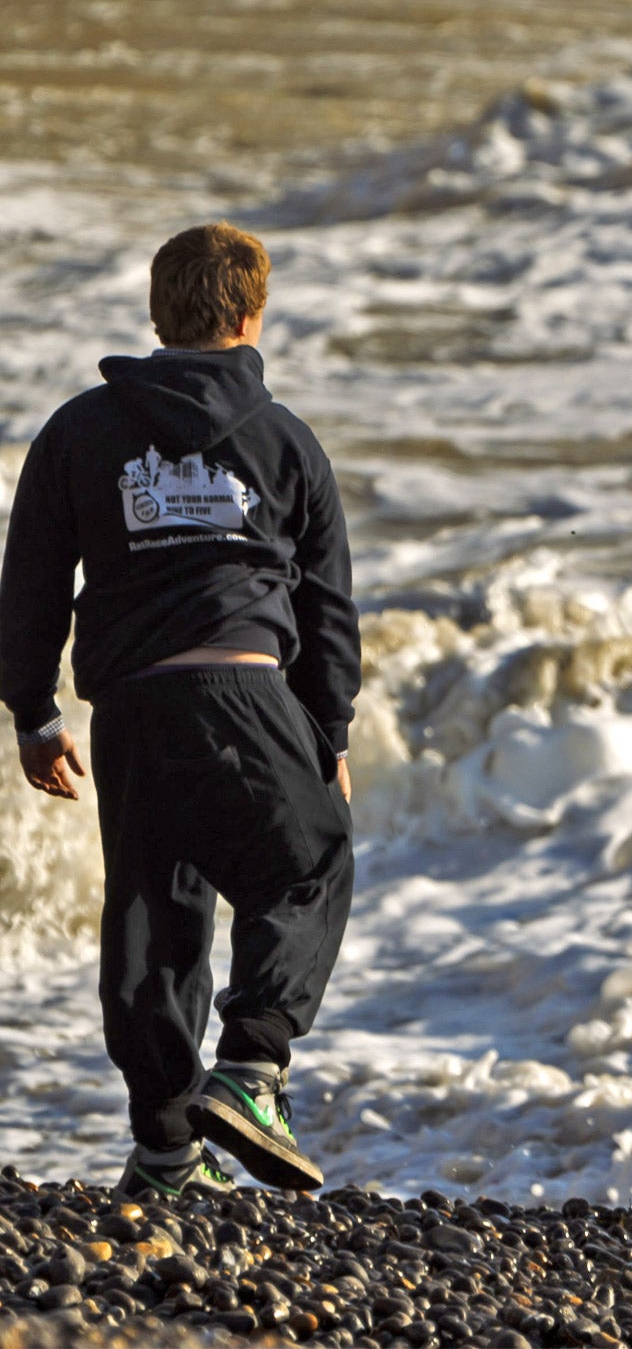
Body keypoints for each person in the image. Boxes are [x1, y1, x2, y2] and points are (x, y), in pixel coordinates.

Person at [0, 222, 360, 1201]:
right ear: (249, 319)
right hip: (248, 689)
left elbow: (28, 583)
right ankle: (250, 1070)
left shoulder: (79, 430)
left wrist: (34, 713)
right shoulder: (284, 438)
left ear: (158, 315)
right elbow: (327, 608)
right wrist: (327, 733)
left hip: (130, 704)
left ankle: (165, 1148)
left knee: (154, 917)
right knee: (308, 865)